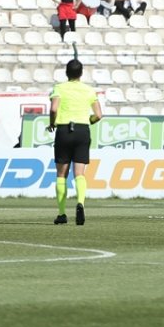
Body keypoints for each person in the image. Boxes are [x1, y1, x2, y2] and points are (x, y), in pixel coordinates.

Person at [49, 59, 102, 225]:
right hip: (82, 130)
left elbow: (53, 109)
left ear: (66, 72)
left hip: (64, 130)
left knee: (61, 174)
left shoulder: (59, 88)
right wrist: (89, 121)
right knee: (79, 173)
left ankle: (62, 213)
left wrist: (52, 123)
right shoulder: (89, 90)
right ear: (81, 73)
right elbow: (99, 115)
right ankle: (80, 203)